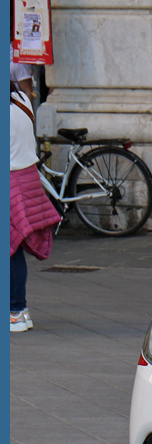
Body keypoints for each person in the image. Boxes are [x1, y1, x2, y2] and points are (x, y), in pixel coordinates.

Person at [10, 81, 60, 332]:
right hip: (27, 179)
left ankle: (15, 311)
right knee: (13, 249)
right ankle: (18, 310)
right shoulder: (21, 98)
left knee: (10, 250)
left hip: (11, 181)